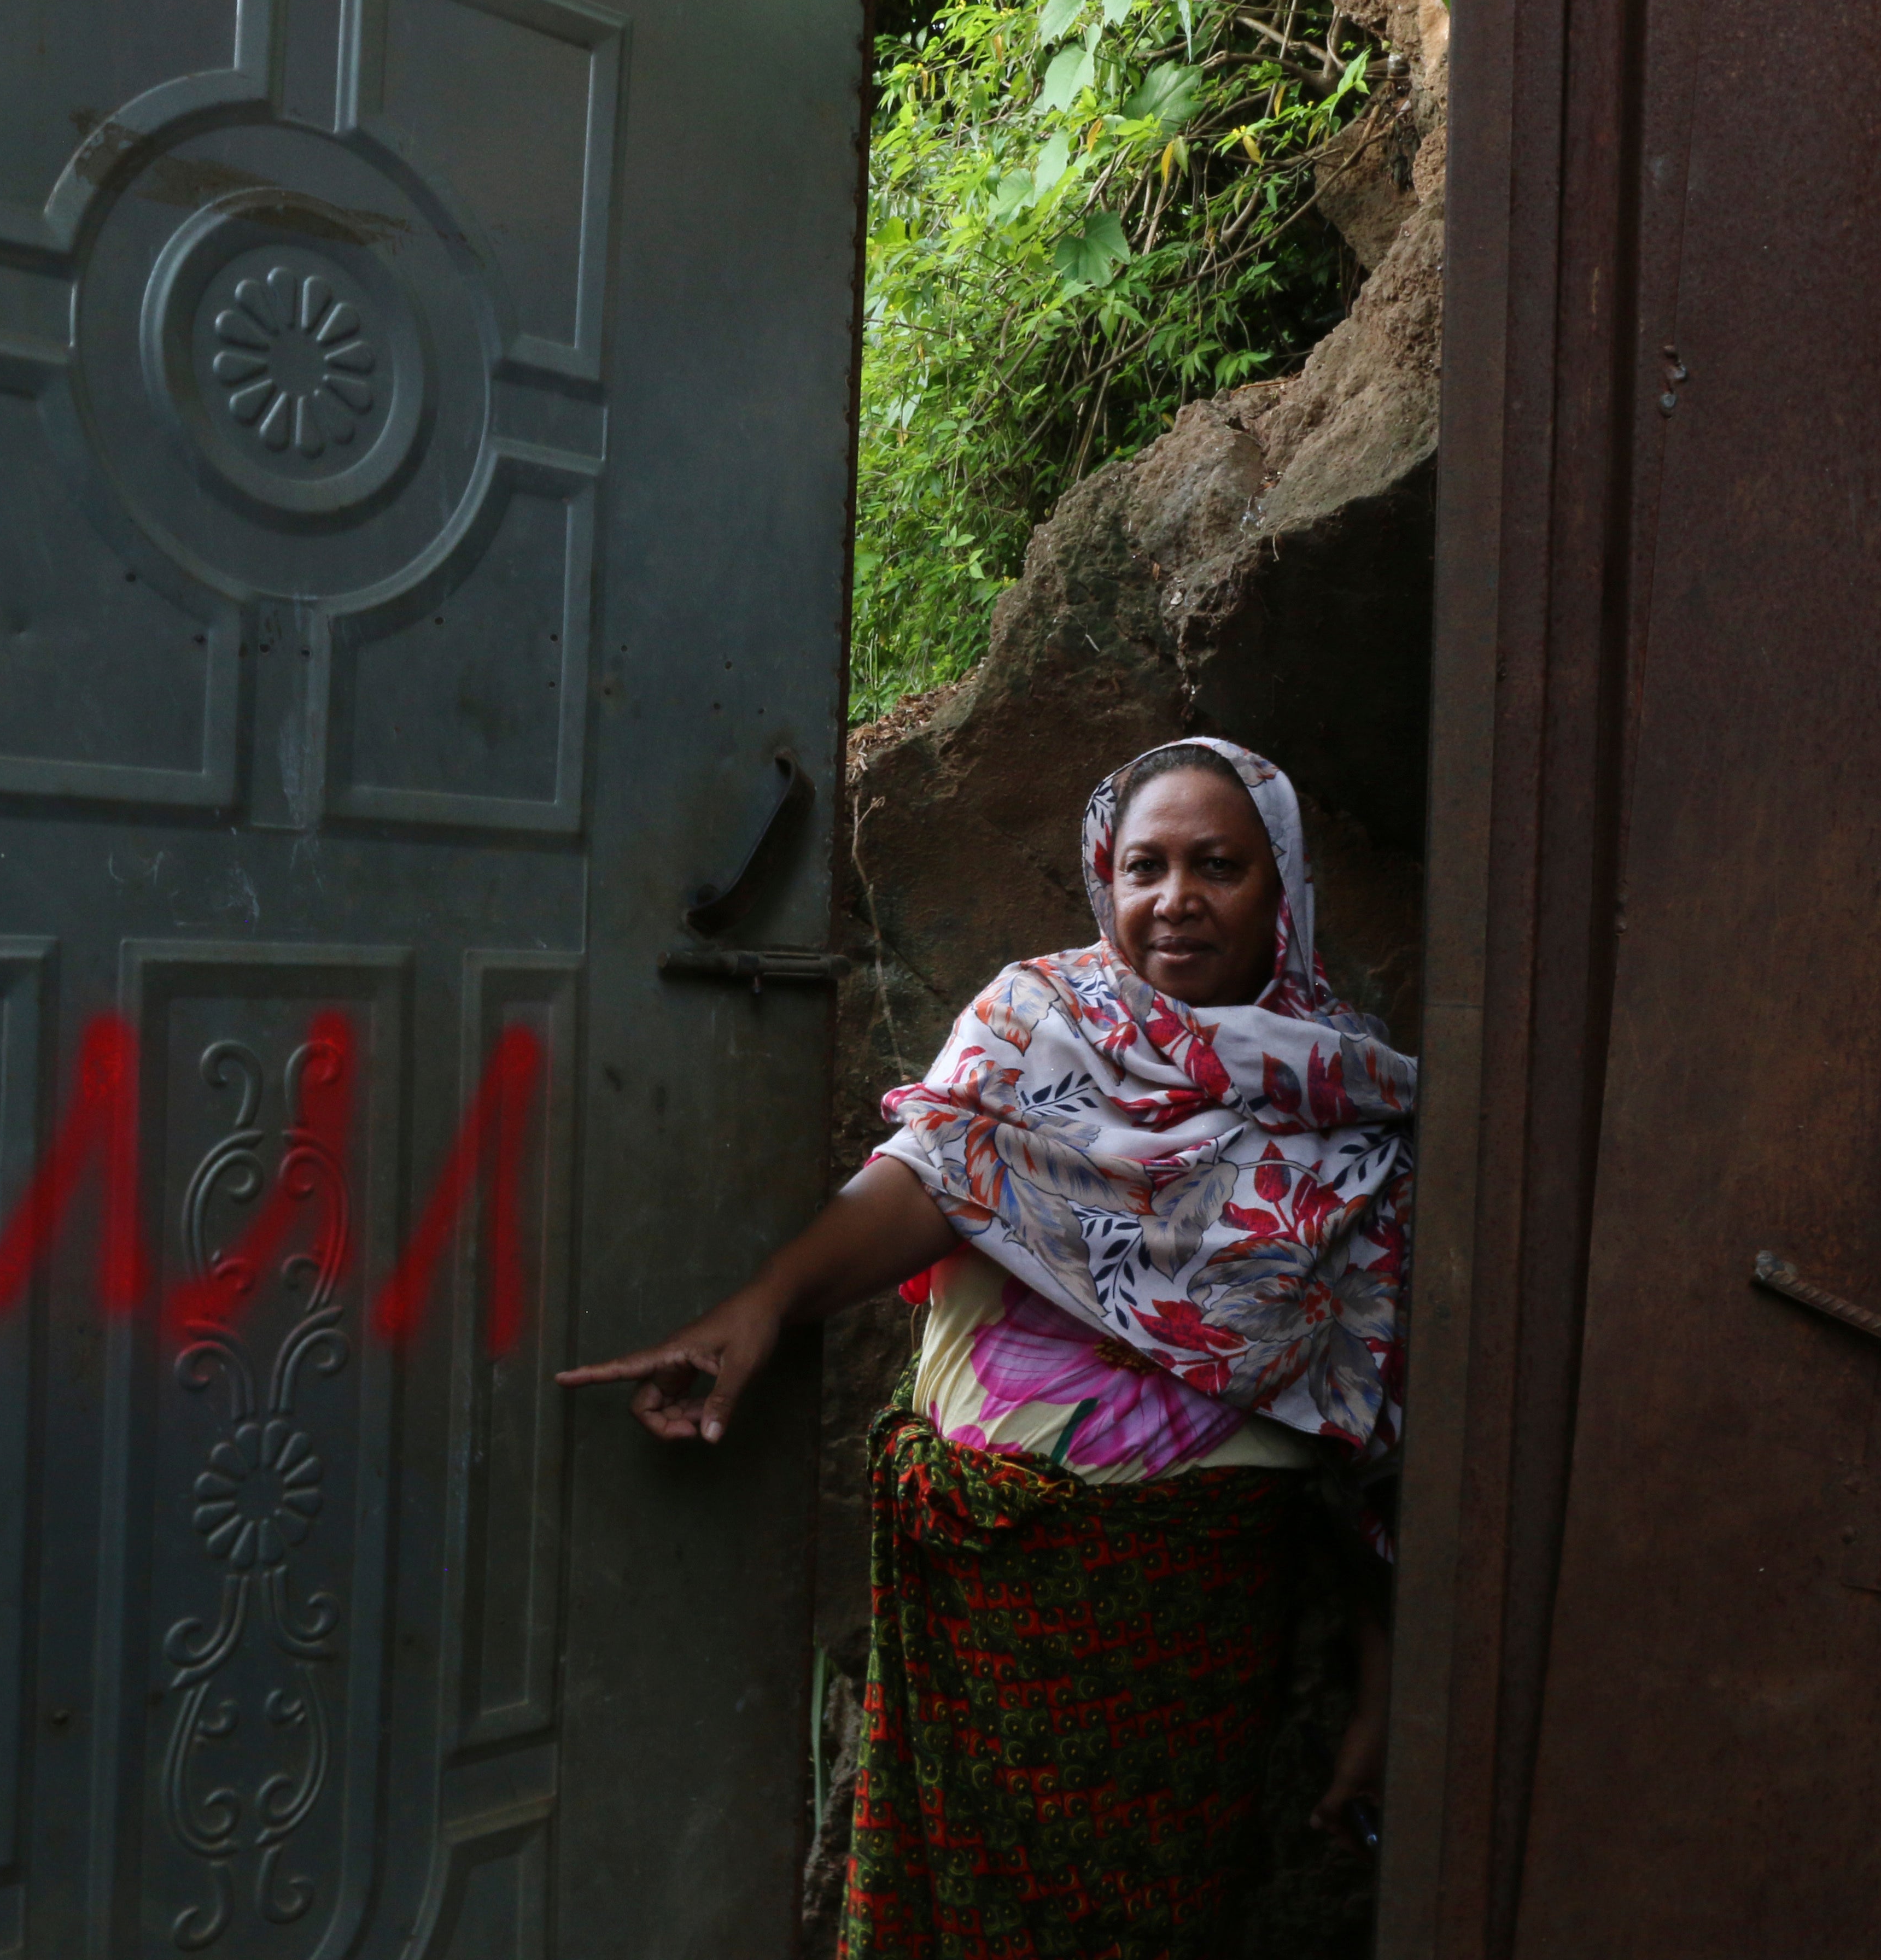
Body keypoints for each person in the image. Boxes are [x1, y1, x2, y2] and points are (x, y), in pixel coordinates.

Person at [559, 738, 1416, 1958]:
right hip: (979, 1585)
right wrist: (760, 1308)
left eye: (1218, 866)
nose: (1175, 899)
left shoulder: (1353, 1094)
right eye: (1145, 866)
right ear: (1102, 882)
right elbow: (927, 1177)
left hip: (1186, 1613)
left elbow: (1374, 1420)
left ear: (1281, 886)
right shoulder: (1037, 1022)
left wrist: (1382, 1684)